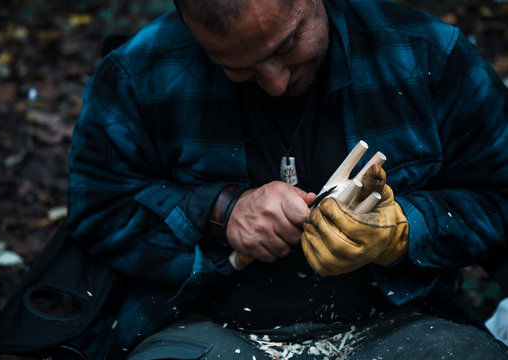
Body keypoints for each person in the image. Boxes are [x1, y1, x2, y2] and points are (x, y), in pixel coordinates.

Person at [65, 0, 508, 358]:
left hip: (404, 321)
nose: (275, 83)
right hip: (205, 327)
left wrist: (405, 229)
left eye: (287, 45)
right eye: (240, 67)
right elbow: (98, 208)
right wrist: (220, 211)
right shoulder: (141, 73)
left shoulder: (426, 54)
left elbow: (498, 192)